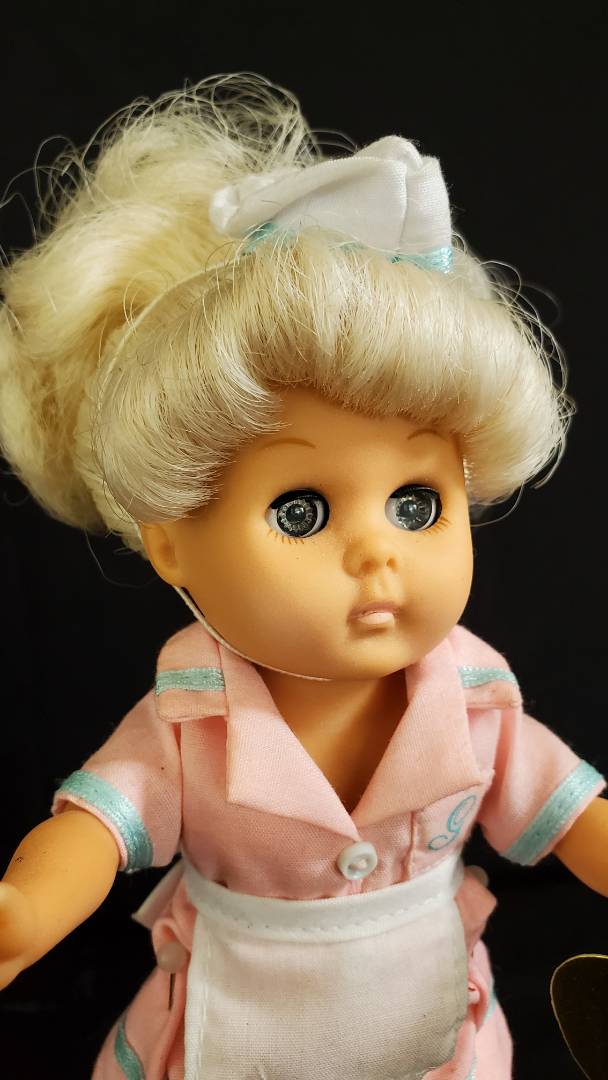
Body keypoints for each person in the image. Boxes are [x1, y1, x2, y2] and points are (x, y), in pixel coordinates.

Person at [0, 74, 606, 1080]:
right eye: (301, 512)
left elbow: (572, 814)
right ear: (171, 543)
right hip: (236, 1032)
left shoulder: (473, 699)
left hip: (431, 1034)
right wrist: (24, 909)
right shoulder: (189, 721)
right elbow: (96, 832)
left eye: (416, 504)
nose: (377, 553)